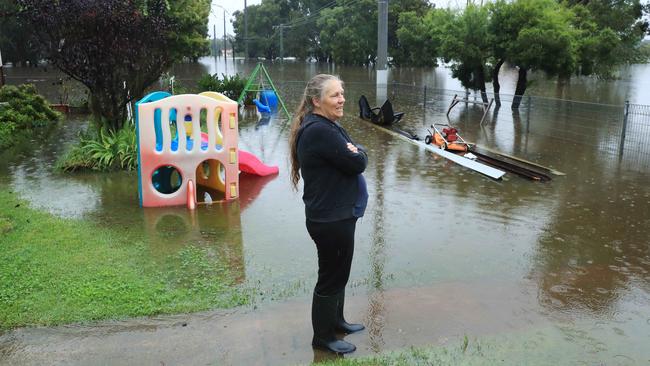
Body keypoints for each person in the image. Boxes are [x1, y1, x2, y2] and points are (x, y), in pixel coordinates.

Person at [288, 74, 369, 354]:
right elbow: (357, 161)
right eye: (334, 95)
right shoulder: (320, 130)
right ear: (316, 101)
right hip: (331, 219)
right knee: (331, 276)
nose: (342, 99)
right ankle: (323, 337)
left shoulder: (326, 125)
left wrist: (356, 151)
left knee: (339, 272)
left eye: (342, 93)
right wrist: (358, 152)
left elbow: (354, 153)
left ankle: (337, 321)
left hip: (337, 216)